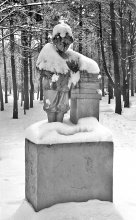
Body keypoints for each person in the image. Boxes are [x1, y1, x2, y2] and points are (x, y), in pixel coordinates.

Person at [36, 23, 74, 122]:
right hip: (50, 86)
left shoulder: (67, 55)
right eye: (63, 43)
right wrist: (46, 73)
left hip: (63, 85)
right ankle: (52, 129)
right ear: (56, 40)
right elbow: (38, 66)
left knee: (62, 107)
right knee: (51, 108)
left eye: (68, 44)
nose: (65, 46)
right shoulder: (48, 49)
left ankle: (59, 128)